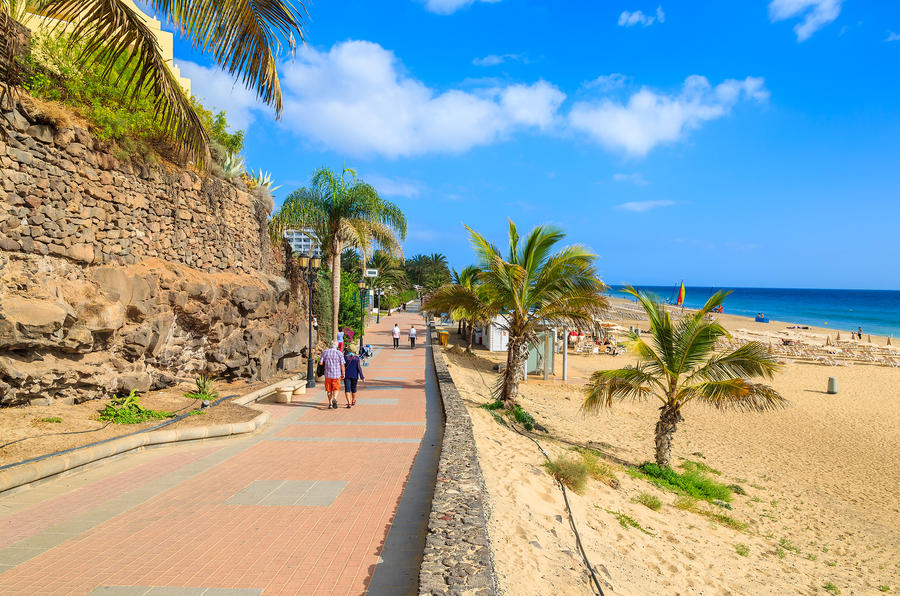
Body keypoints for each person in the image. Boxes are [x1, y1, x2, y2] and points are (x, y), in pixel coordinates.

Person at [318, 341, 345, 409]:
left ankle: (330, 404)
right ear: (337, 346)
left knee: (329, 390)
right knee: (336, 388)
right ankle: (335, 398)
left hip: (328, 374)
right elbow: (342, 364)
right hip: (336, 374)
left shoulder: (325, 352)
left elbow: (320, 363)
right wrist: (343, 373)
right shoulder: (339, 353)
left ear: (330, 345)